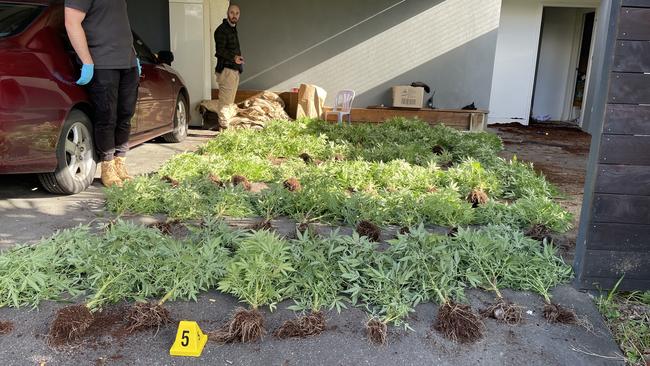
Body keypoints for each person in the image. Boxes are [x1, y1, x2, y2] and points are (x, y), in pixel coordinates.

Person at [64, 0, 140, 187]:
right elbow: (71, 22)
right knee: (107, 117)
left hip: (127, 62)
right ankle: (107, 165)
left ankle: (120, 162)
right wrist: (87, 61)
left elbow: (121, 25)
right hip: (102, 63)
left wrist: (134, 55)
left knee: (125, 115)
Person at [214, 4, 244, 129]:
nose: (234, 16)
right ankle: (224, 132)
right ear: (227, 13)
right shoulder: (221, 30)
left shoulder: (232, 28)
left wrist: (238, 61)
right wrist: (234, 58)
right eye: (232, 13)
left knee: (229, 103)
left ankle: (225, 130)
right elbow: (219, 50)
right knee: (225, 104)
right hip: (227, 71)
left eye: (237, 13)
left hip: (234, 70)